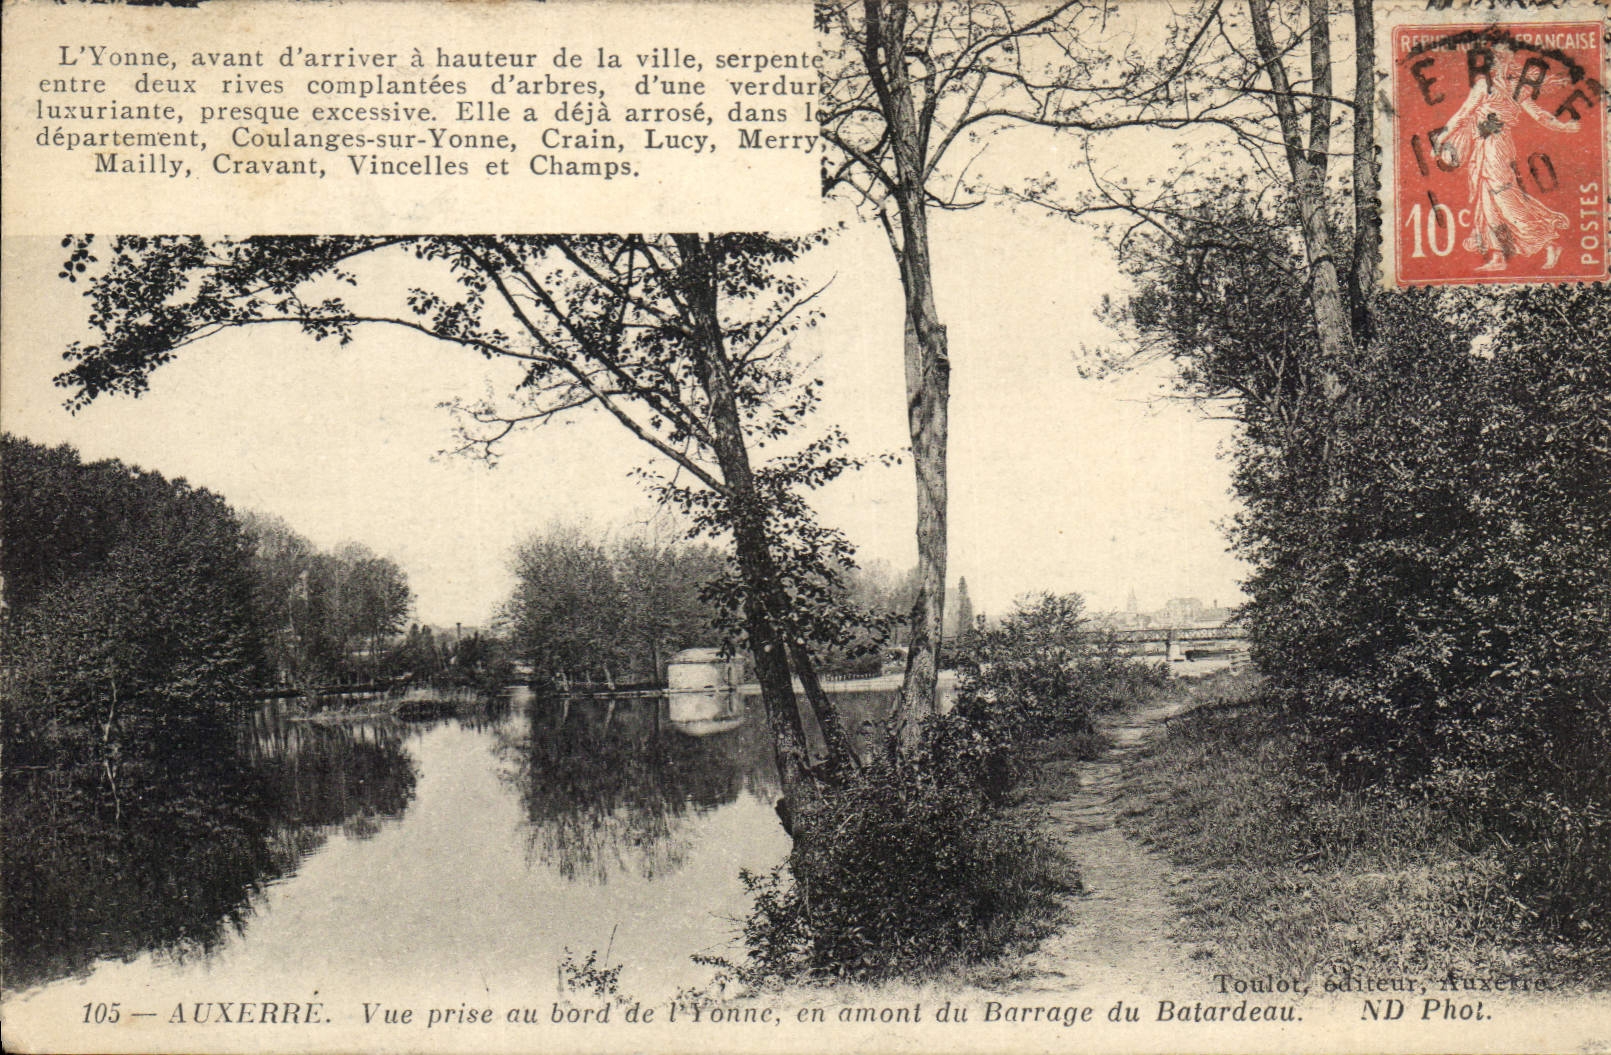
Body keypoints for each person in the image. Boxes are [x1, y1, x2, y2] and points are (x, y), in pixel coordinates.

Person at [1442, 45, 1578, 272]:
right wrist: (1564, 127)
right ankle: (1498, 257)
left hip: (1494, 149)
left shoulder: (1487, 86)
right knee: (1488, 203)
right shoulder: (1515, 88)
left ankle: (1548, 242)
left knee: (1505, 200)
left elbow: (1461, 115)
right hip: (1490, 147)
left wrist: (1440, 139)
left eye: (1492, 60)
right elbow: (1541, 115)